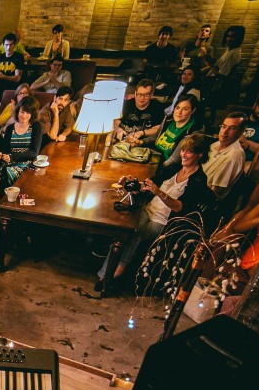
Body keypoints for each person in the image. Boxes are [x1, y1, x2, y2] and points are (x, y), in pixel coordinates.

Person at [97, 134, 214, 289]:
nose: (184, 154)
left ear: (200, 155)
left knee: (138, 232)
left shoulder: (199, 179)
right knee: (126, 228)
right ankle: (109, 272)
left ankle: (113, 271)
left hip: (164, 220)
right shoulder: (174, 168)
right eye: (183, 150)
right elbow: (149, 184)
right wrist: (132, 184)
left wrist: (159, 192)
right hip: (149, 209)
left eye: (189, 152)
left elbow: (181, 207)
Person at [0, 97, 44, 199]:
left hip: (26, 164)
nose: (24, 116)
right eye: (22, 112)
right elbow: (5, 149)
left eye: (27, 113)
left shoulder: (36, 126)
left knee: (1, 176)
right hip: (10, 162)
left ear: (32, 114)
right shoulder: (10, 128)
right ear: (18, 111)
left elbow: (34, 152)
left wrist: (13, 156)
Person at [199, 113, 247, 197]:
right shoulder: (215, 145)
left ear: (240, 132)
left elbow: (214, 192)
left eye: (232, 128)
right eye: (224, 126)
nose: (225, 132)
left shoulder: (234, 155)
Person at [113, 79, 165, 146]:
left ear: (151, 95)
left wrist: (142, 133)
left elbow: (158, 128)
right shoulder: (125, 105)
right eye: (139, 94)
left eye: (146, 95)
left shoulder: (157, 107)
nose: (142, 98)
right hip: (122, 141)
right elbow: (115, 122)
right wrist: (118, 130)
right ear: (135, 93)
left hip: (142, 143)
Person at [154, 95, 201, 160]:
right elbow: (155, 137)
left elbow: (174, 159)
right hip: (153, 155)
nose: (179, 112)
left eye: (185, 109)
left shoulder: (191, 132)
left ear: (193, 110)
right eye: (177, 108)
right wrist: (140, 142)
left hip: (165, 164)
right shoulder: (168, 120)